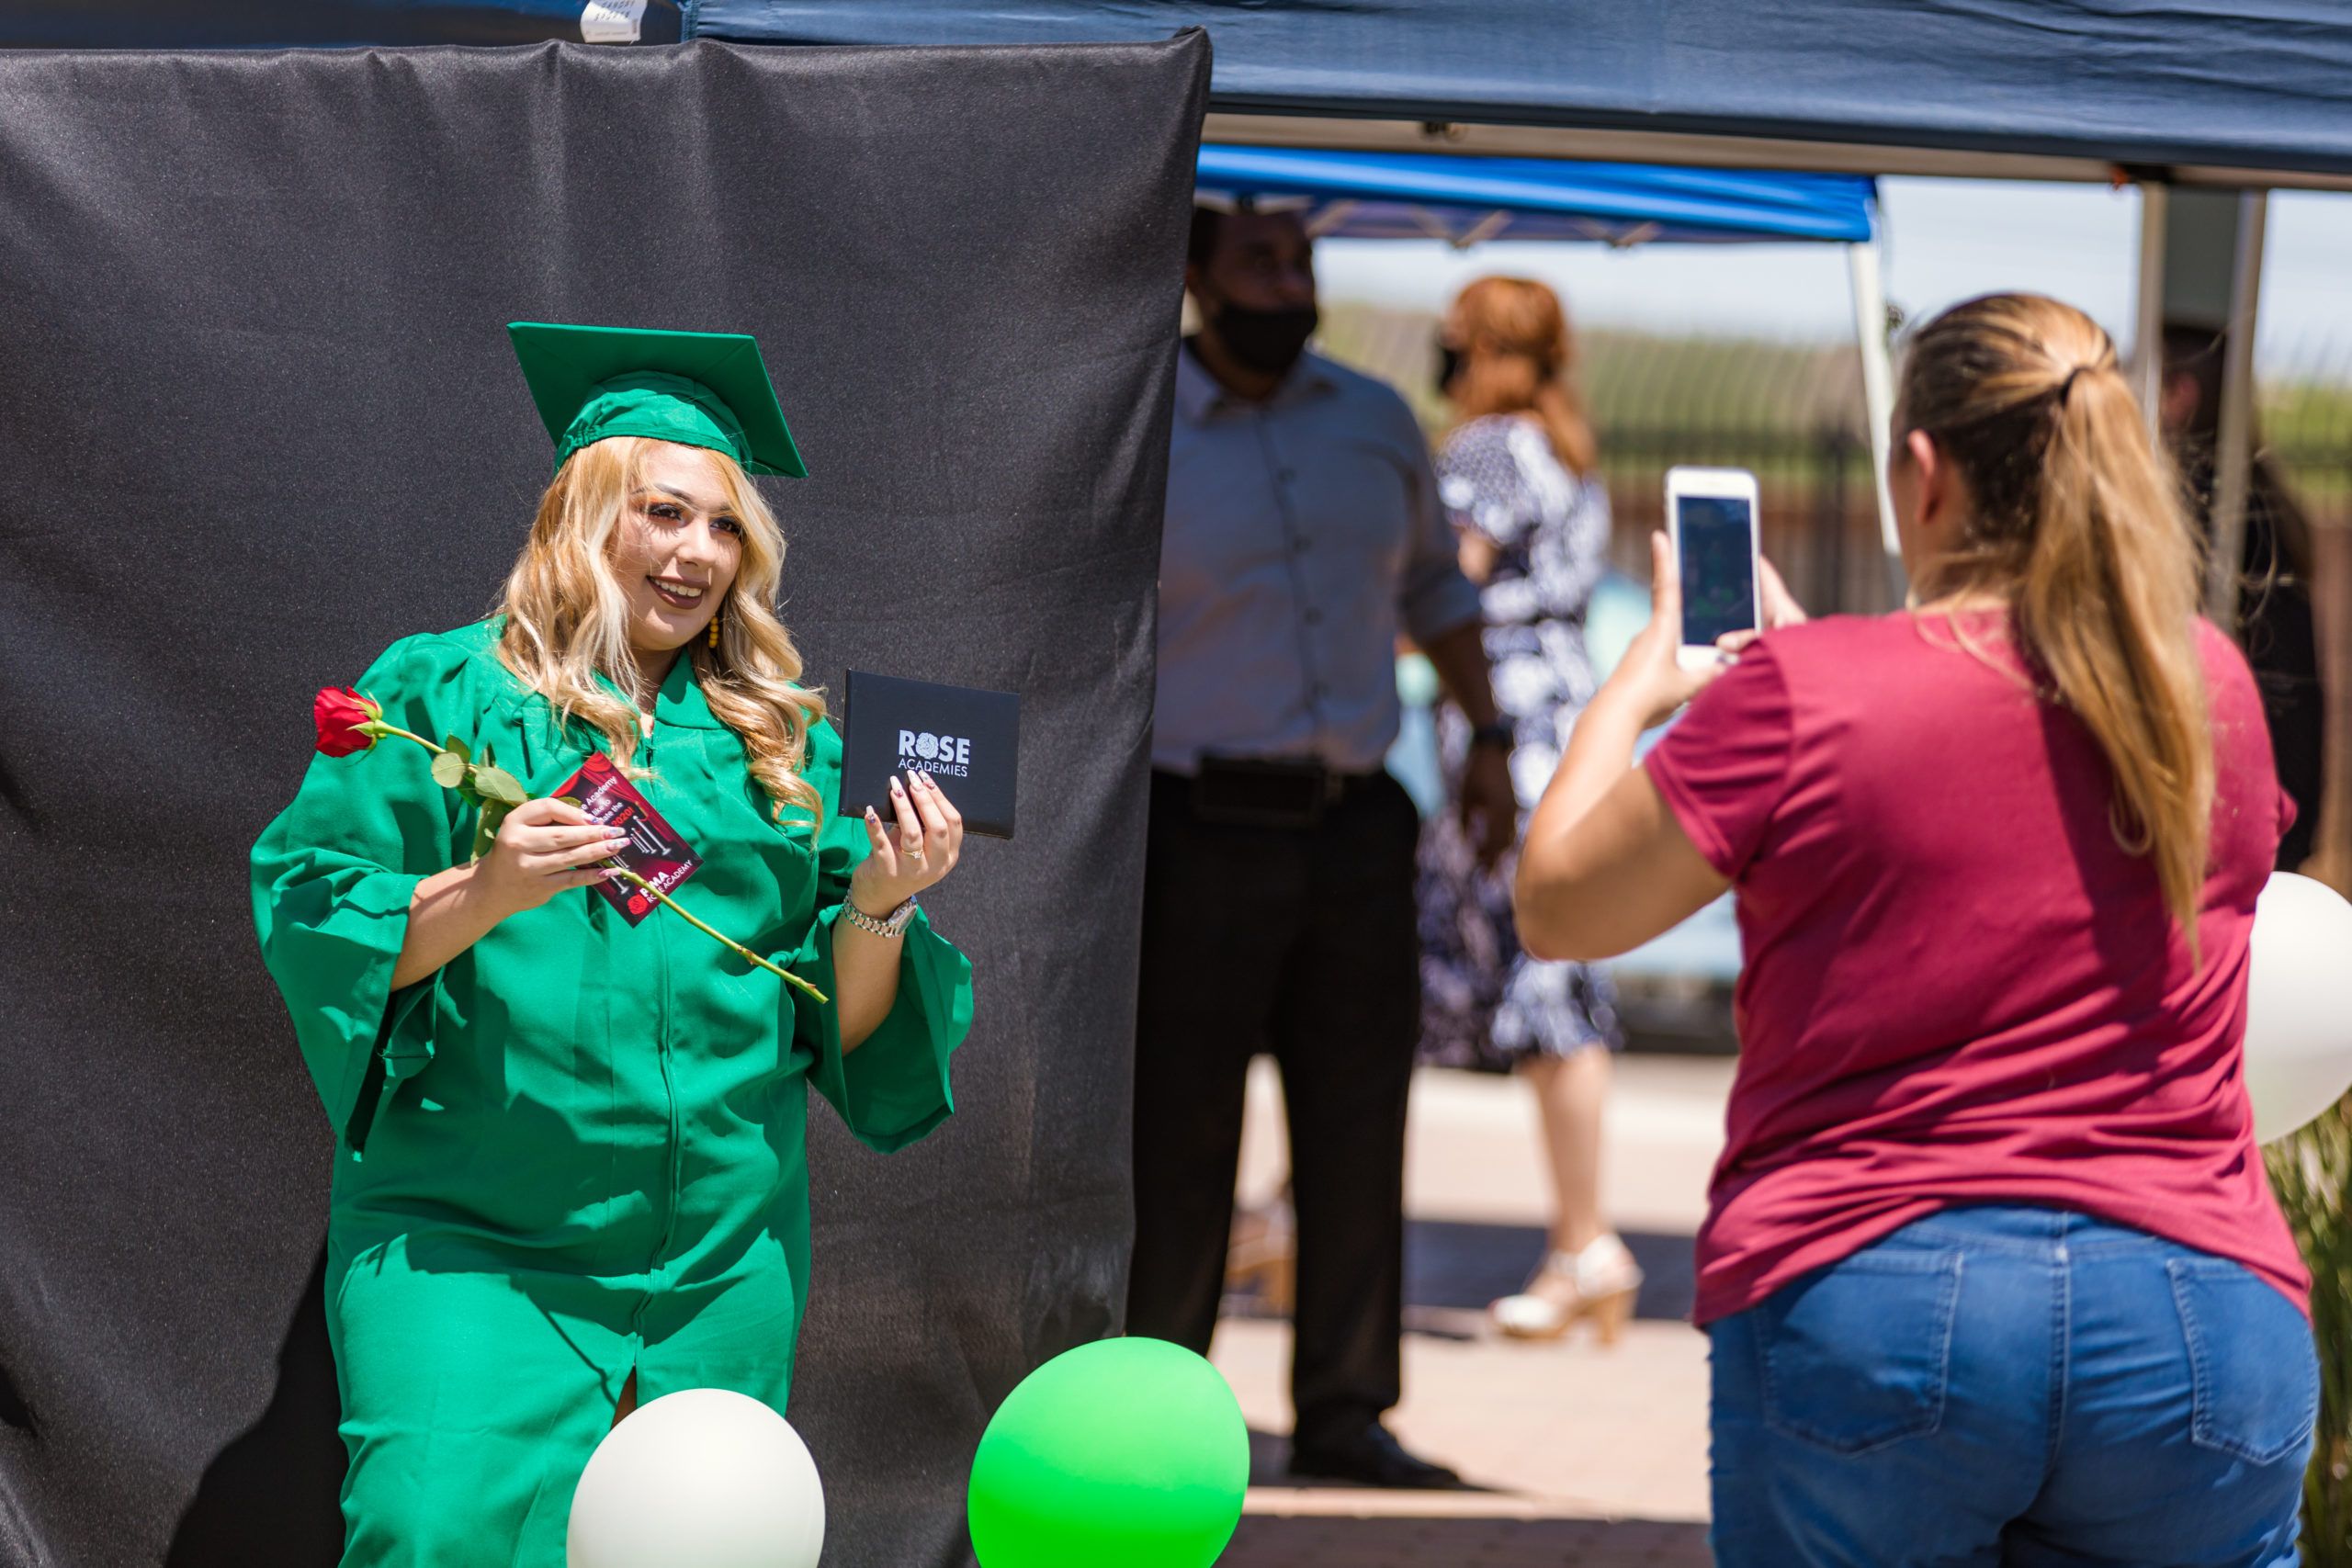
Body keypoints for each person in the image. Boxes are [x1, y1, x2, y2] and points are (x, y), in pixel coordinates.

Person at [1515, 293, 2315, 1564]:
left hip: (1881, 1287)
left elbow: (1558, 901)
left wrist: (1650, 675)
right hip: (2199, 1315)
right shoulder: (2204, 680)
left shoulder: (1802, 693)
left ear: (1925, 469)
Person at [251, 321, 976, 1567]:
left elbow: (840, 1026)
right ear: (583, 515)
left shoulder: (779, 751)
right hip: (478, 1241)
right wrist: (487, 886)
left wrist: (884, 904)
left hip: (716, 1261)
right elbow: (320, 913)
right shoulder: (442, 697)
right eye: (665, 511)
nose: (699, 551)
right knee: (434, 1528)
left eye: (727, 525)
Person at [1126, 201, 1516, 1489]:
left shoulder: (1375, 419)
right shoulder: (1137, 426)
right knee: (1179, 1141)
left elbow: (1437, 592)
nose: (1288, 283)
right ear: (1194, 279)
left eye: (1302, 262)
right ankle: (1162, 1414)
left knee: (1358, 1127)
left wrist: (1494, 741)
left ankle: (1346, 1412)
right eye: (1259, 263)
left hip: (1354, 822)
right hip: (1190, 828)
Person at [1419, 276, 1640, 1343]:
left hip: (1503, 732)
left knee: (1525, 973)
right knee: (1526, 968)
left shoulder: (1485, 453)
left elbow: (1443, 593)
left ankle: (1585, 1237)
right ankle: (1582, 1240)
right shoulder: (1568, 451)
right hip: (1567, 717)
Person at [2160, 320, 2330, 874]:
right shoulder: (2269, 501)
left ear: (2181, 394)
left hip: (2230, 799)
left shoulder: (2210, 507)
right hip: (2275, 791)